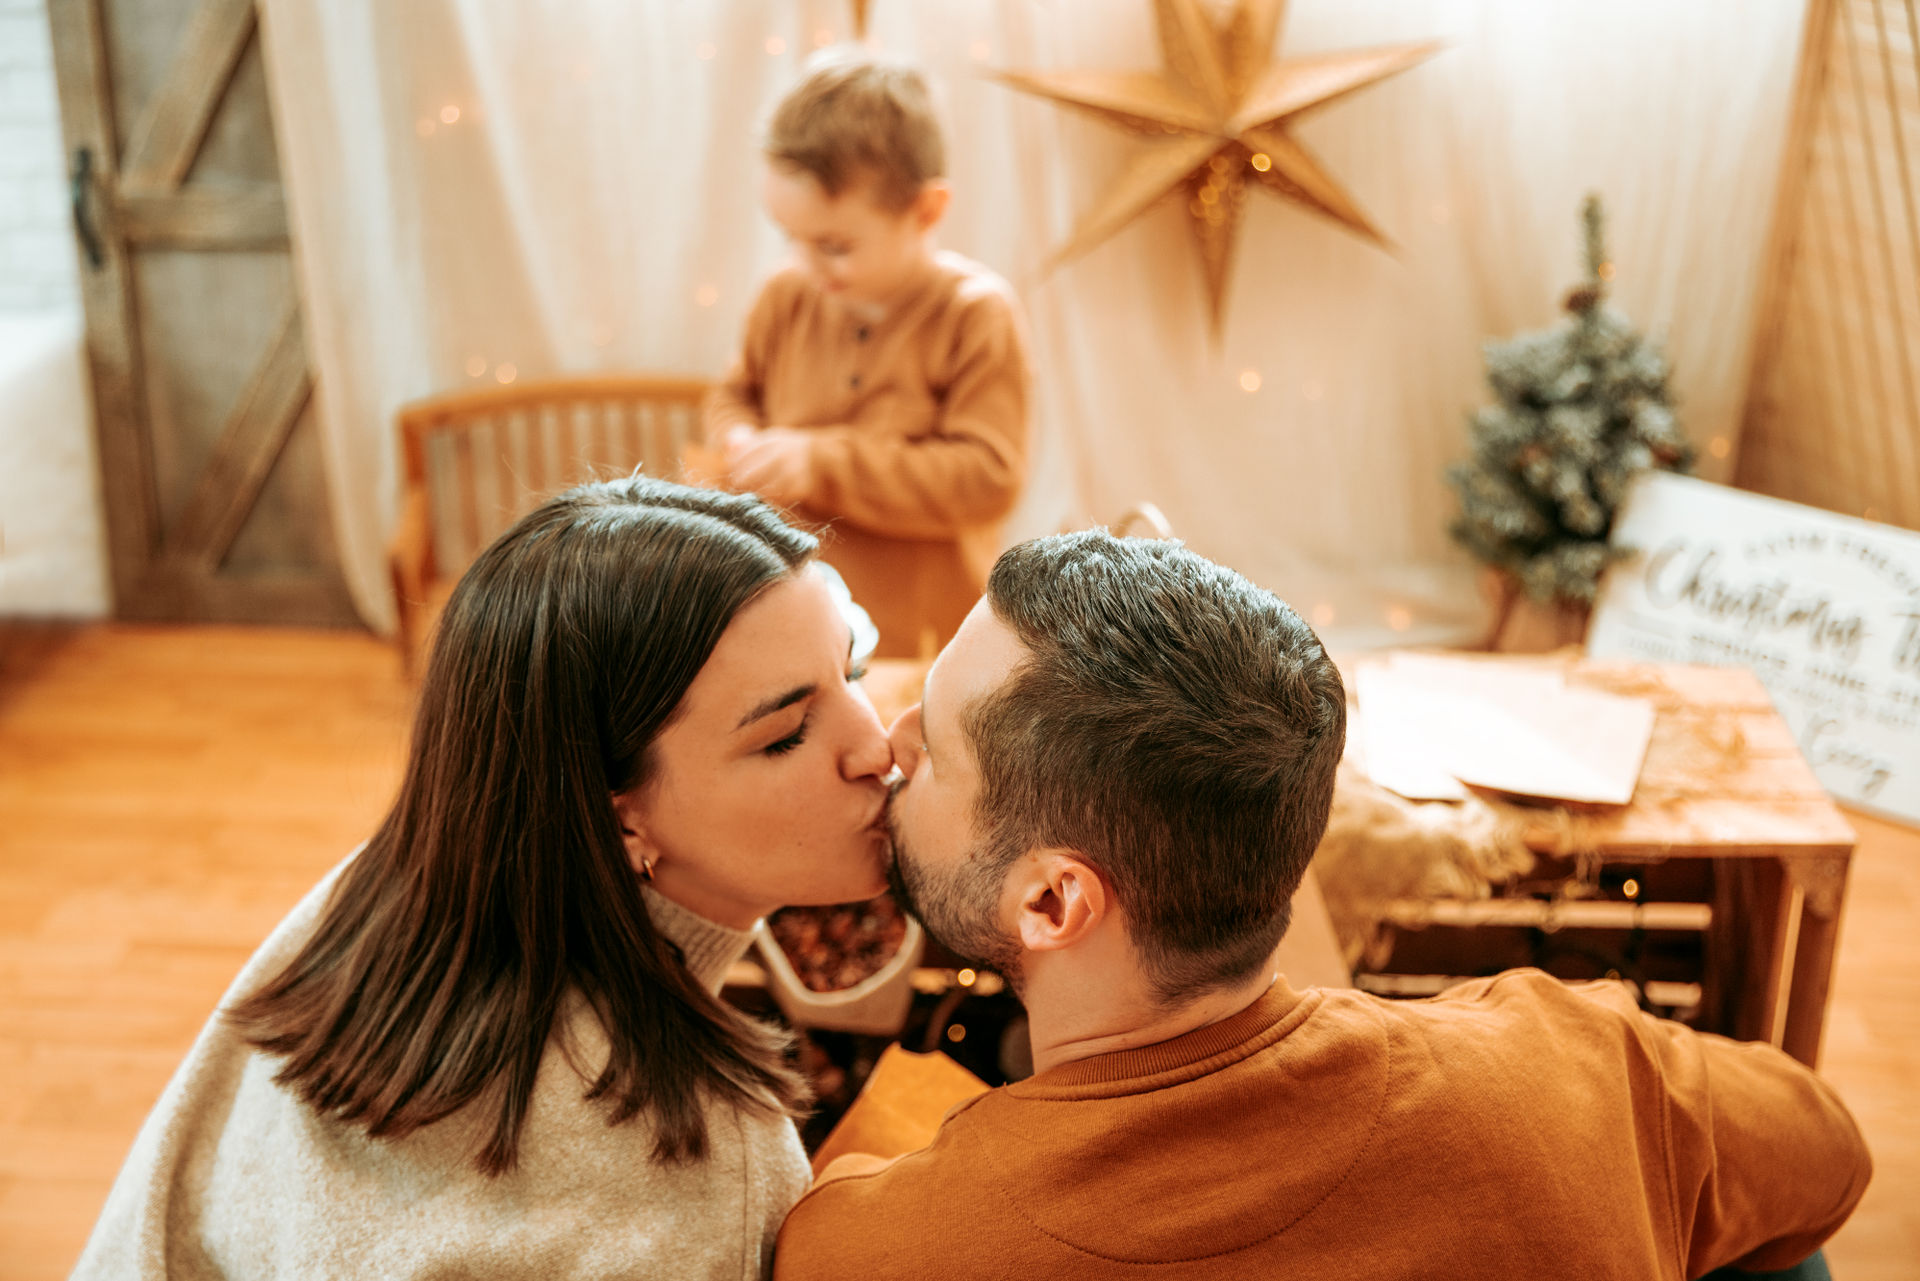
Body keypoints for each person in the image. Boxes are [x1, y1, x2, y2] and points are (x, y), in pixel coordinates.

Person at [773, 530, 1871, 1280]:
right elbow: (1827, 1154)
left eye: (937, 739)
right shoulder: (1573, 1068)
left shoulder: (886, 1248)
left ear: (1055, 899)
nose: (889, 740)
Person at [73, 477, 896, 1280]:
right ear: (618, 817)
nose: (878, 746)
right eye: (786, 734)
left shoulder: (385, 889)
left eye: (852, 670)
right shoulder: (707, 1165)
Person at [705, 49, 1031, 659]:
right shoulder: (785, 293)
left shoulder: (976, 314)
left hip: (925, 639)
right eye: (791, 237)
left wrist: (822, 463)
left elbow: (988, 479)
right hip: (789, 621)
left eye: (834, 245)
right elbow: (732, 394)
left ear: (926, 210)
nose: (806, 263)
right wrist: (740, 437)